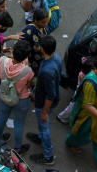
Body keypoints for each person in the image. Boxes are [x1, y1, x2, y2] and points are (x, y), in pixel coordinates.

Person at [27, 35, 61, 164]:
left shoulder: (47, 70)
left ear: (42, 48)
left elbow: (50, 95)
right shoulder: (55, 58)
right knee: (43, 127)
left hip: (44, 102)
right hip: (47, 96)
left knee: (44, 126)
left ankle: (48, 156)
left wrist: (45, 112)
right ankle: (40, 137)